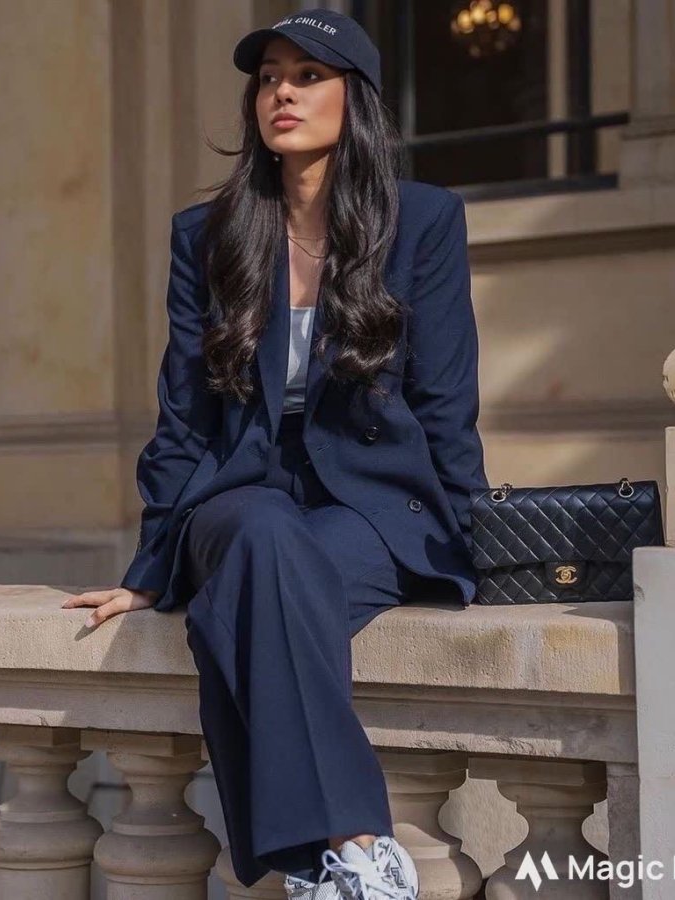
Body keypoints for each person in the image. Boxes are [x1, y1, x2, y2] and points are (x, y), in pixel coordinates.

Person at [62, 8, 487, 900]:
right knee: (259, 539)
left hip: (369, 502)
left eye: (307, 75)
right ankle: (359, 846)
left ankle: (312, 869)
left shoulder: (422, 220)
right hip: (239, 490)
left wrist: (477, 539)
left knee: (243, 605)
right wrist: (149, 566)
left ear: (354, 98)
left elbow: (445, 399)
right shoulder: (207, 235)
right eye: (268, 78)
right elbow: (184, 412)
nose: (281, 93)